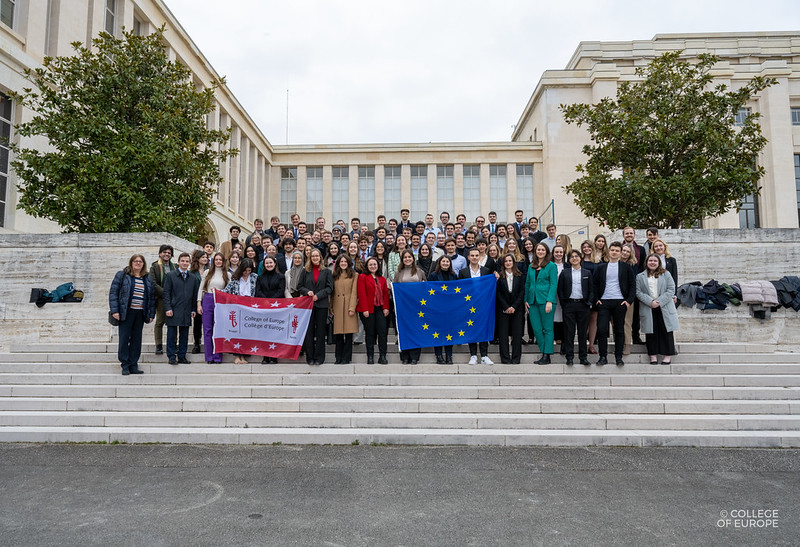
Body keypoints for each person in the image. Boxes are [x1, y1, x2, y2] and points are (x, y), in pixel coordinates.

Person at [109, 254, 155, 375]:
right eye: (136, 261)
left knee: (136, 339)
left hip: (140, 313)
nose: (138, 263)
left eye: (140, 261)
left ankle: (133, 364)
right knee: (124, 339)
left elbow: (151, 298)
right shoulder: (122, 275)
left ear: (143, 264)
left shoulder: (147, 278)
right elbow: (113, 293)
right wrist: (115, 311)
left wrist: (151, 313)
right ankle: (125, 364)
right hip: (126, 312)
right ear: (131, 262)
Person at [593, 241, 636, 366]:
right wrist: (597, 299)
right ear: (609, 251)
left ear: (620, 252)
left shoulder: (626, 267)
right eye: (612, 250)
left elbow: (633, 285)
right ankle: (603, 357)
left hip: (620, 302)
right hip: (604, 302)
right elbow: (594, 284)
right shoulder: (601, 267)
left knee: (619, 330)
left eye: (617, 250)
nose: (614, 252)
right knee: (601, 329)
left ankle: (618, 357)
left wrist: (628, 301)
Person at [636, 254, 679, 365]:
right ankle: (653, 355)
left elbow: (671, 289)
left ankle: (667, 355)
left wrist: (659, 301)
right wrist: (650, 302)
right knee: (651, 332)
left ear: (659, 262)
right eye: (650, 260)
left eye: (655, 261)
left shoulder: (666, 274)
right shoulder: (640, 276)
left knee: (666, 331)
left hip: (664, 306)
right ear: (646, 262)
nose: (652, 262)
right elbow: (638, 292)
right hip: (648, 306)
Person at [458, 248, 494, 365]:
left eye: (476, 255)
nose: (474, 257)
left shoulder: (486, 271)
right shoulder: (463, 272)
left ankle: (484, 355)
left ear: (480, 257)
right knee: (471, 328)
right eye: (472, 255)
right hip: (469, 305)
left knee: (483, 328)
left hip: (483, 305)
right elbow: (461, 289)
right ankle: (473, 355)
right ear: (468, 257)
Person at [163, 252, 200, 365]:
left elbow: (195, 295)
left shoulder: (192, 278)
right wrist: (168, 307)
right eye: (182, 261)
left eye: (187, 261)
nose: (184, 263)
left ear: (189, 263)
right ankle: (171, 356)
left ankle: (182, 356)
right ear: (178, 262)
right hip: (173, 309)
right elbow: (166, 293)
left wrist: (193, 309)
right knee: (171, 335)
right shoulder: (170, 276)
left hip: (186, 310)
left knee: (184, 335)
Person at [557, 250, 594, 366]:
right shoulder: (565, 273)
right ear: (569, 259)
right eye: (571, 257)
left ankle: (583, 357)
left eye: (576, 256)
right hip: (569, 305)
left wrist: (589, 302)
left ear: (580, 258)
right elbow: (560, 290)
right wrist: (564, 304)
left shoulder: (587, 273)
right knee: (569, 333)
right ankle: (570, 357)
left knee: (582, 333)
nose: (574, 258)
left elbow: (591, 289)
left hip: (583, 305)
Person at [298, 248, 334, 365]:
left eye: (317, 256)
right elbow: (299, 287)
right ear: (310, 258)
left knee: (320, 332)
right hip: (308, 306)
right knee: (309, 332)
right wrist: (307, 292)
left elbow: (330, 288)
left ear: (320, 257)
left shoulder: (327, 271)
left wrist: (318, 295)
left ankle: (319, 357)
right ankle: (310, 357)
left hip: (321, 305)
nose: (315, 258)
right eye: (312, 256)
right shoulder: (305, 271)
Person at [524, 242, 558, 365]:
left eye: (543, 250)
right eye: (538, 249)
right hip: (532, 301)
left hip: (546, 301)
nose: (540, 252)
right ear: (535, 251)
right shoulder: (531, 266)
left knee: (547, 329)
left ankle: (546, 355)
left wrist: (549, 300)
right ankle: (545, 352)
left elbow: (554, 284)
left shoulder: (551, 266)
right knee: (537, 329)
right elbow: (527, 284)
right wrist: (525, 300)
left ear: (546, 252)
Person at [394, 250, 427, 364]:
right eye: (405, 257)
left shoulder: (419, 272)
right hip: (403, 307)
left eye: (409, 257)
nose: (407, 259)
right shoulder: (398, 272)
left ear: (413, 258)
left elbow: (425, 288)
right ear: (402, 259)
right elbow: (395, 289)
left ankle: (414, 357)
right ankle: (405, 357)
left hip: (417, 307)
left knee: (416, 330)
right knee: (404, 330)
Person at [223, 258, 258, 365]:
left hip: (250, 308)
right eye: (245, 271)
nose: (247, 273)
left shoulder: (255, 277)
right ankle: (237, 356)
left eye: (249, 270)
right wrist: (216, 291)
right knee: (237, 332)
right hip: (237, 308)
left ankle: (244, 355)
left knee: (246, 333)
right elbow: (226, 291)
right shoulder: (235, 279)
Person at [357, 256, 390, 364]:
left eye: (375, 264)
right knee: (370, 333)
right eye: (370, 264)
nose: (373, 266)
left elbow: (385, 294)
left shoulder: (382, 279)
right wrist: (365, 309)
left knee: (382, 332)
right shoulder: (362, 277)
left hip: (380, 309)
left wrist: (386, 307)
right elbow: (361, 294)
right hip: (368, 309)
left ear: (378, 266)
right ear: (367, 266)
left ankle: (383, 356)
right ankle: (370, 356)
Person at [197, 252, 228, 364]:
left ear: (223, 261)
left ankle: (217, 356)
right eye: (216, 259)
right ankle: (209, 356)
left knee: (218, 329)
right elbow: (201, 288)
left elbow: (229, 291)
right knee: (207, 329)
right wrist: (199, 303)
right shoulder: (207, 272)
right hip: (208, 299)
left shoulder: (227, 274)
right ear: (213, 261)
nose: (218, 261)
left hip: (221, 301)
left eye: (220, 259)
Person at [427, 255, 458, 364]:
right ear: (439, 263)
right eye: (443, 261)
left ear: (450, 263)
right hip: (437, 309)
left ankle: (449, 356)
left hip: (450, 310)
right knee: (438, 333)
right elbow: (429, 292)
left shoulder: (454, 276)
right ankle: (439, 355)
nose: (445, 263)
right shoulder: (433, 275)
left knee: (449, 333)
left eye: (447, 262)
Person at [255, 256, 286, 364]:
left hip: (276, 309)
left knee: (275, 332)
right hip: (264, 309)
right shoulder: (260, 278)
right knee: (264, 332)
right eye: (266, 263)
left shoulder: (281, 277)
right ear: (264, 265)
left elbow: (281, 291)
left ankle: (274, 356)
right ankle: (265, 355)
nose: (269, 265)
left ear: (275, 263)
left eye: (270, 263)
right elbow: (257, 291)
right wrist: (266, 301)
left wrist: (271, 301)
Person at [329, 255, 359, 364]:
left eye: (345, 261)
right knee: (339, 334)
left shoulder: (354, 275)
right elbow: (332, 293)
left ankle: (346, 358)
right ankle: (338, 357)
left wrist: (352, 308)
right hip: (337, 305)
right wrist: (331, 307)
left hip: (348, 306)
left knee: (349, 334)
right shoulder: (334, 275)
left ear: (349, 263)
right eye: (341, 261)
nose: (343, 263)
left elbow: (354, 292)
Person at [496, 254, 525, 364]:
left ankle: (516, 358)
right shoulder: (499, 276)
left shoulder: (520, 275)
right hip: (503, 309)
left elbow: (522, 292)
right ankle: (505, 358)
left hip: (517, 309)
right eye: (506, 261)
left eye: (510, 261)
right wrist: (506, 307)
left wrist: (514, 306)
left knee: (517, 335)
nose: (508, 263)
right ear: (503, 263)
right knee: (503, 335)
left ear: (514, 262)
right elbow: (498, 293)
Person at [150, 244, 175, 355]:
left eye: (169, 253)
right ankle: (159, 345)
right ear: (160, 253)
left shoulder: (175, 266)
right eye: (164, 252)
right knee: (160, 321)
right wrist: (165, 293)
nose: (166, 254)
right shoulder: (155, 266)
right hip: (160, 298)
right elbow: (153, 283)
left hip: (173, 298)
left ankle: (174, 344)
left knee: (174, 322)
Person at [620, 243, 639, 356]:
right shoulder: (613, 263)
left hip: (627, 298)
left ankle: (627, 345)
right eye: (624, 250)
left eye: (628, 251)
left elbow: (633, 283)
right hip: (615, 297)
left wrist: (629, 299)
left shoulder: (633, 265)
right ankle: (619, 344)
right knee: (616, 323)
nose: (625, 253)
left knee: (627, 322)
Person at [189, 250, 209, 354]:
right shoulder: (192, 272)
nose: (205, 259)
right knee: (197, 323)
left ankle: (208, 343)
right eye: (203, 257)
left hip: (207, 299)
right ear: (197, 258)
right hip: (195, 299)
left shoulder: (210, 270)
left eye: (206, 257)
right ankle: (196, 343)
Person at [551, 245, 567, 354]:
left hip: (564, 295)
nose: (559, 254)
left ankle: (562, 340)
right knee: (553, 316)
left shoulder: (567, 266)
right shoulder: (549, 265)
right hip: (552, 295)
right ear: (553, 253)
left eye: (561, 252)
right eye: (556, 252)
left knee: (563, 317)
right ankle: (554, 338)